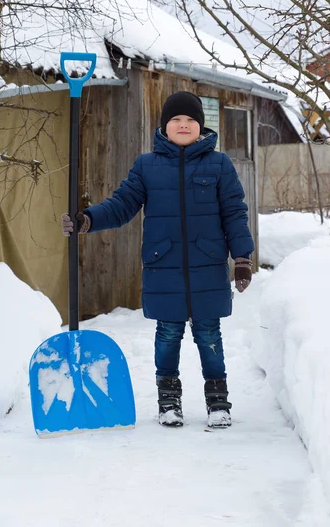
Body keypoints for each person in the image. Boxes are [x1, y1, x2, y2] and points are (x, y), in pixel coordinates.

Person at [61, 91, 254, 429]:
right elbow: (122, 205)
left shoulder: (219, 165)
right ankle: (169, 400)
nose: (183, 125)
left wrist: (242, 258)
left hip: (207, 265)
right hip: (163, 265)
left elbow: (234, 213)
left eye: (190, 120)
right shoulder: (147, 166)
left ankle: (218, 401)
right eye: (176, 120)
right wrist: (87, 219)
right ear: (164, 127)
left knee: (210, 335)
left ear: (201, 127)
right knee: (167, 334)